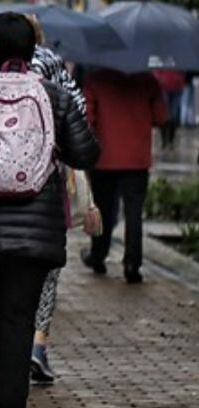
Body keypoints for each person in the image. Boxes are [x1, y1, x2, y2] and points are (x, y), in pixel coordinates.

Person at [0, 13, 99, 408]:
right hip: (37, 231)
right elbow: (85, 152)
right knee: (19, 316)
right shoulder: (55, 96)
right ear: (34, 52)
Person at [0, 16, 88, 385]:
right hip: (44, 191)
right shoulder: (54, 68)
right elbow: (81, 120)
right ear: (36, 42)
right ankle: (36, 346)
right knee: (44, 275)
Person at [81, 67, 167, 283]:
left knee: (104, 209)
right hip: (137, 159)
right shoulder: (147, 80)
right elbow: (160, 116)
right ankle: (132, 264)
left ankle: (98, 256)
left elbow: (87, 116)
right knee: (134, 213)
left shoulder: (95, 78)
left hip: (105, 158)